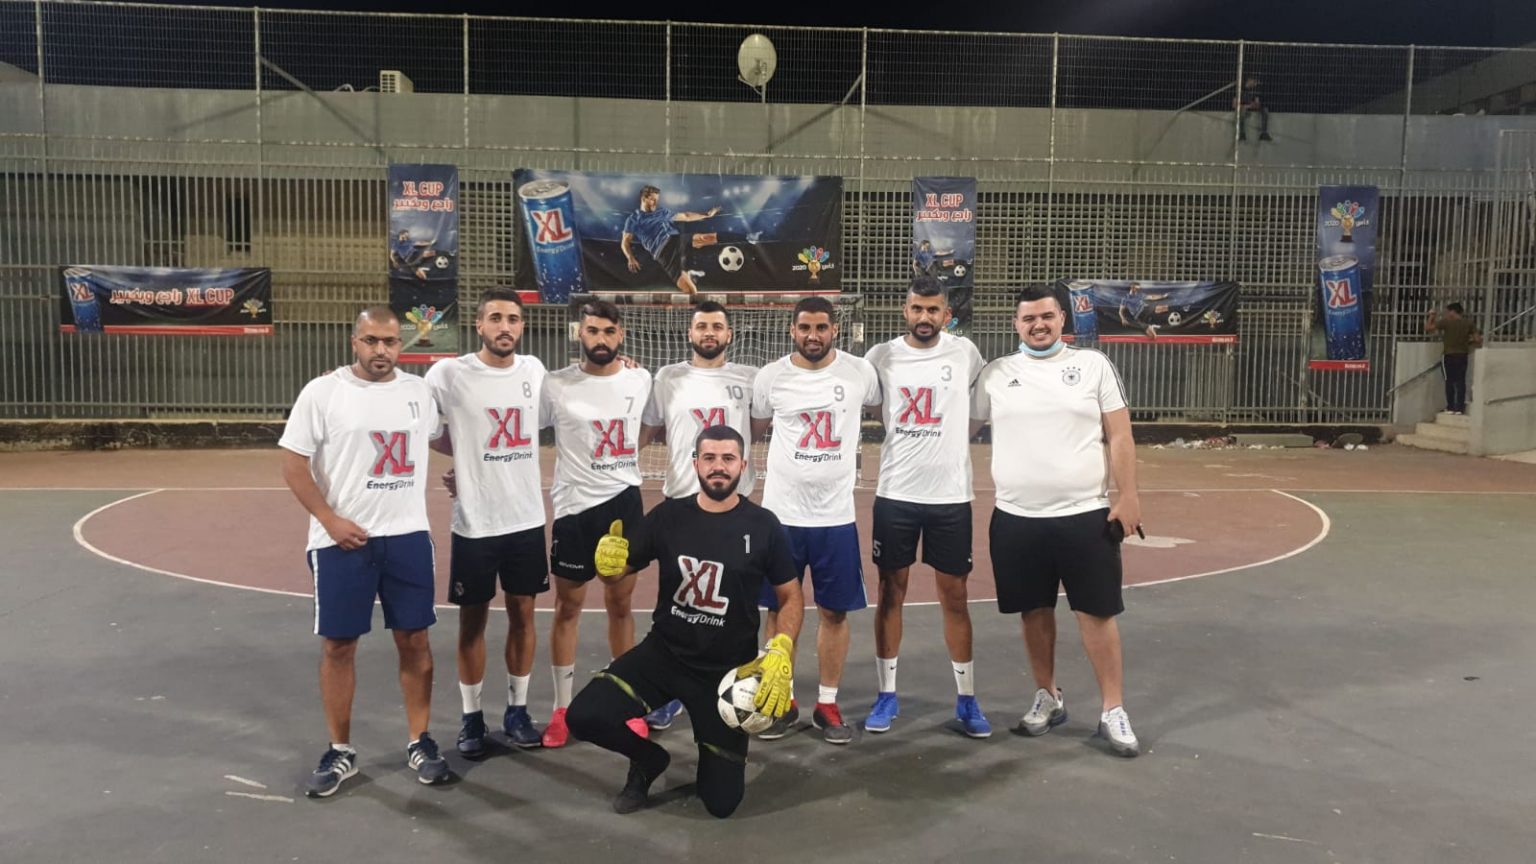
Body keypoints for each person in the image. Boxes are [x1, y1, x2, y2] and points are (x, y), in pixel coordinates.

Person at [566, 425, 803, 817]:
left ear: (743, 465)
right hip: (665, 655)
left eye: (727, 458)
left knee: (721, 804)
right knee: (584, 716)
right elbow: (619, 571)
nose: (718, 466)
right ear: (695, 464)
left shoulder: (763, 525)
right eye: (709, 458)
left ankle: (713, 753)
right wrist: (607, 567)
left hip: (726, 672)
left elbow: (791, 596)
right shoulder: (669, 516)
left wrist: (781, 646)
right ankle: (648, 759)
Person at [279, 305, 451, 797]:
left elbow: (444, 438)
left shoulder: (419, 392)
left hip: (407, 536)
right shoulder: (323, 392)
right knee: (338, 645)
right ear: (355, 341)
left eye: (390, 342)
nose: (381, 350)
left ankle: (420, 740)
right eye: (371, 340)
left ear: (401, 345)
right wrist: (329, 520)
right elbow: (293, 463)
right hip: (341, 541)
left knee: (414, 640)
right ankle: (340, 750)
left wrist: (469, 469)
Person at [971, 285, 1143, 758]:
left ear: (1062, 319)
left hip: (1084, 515)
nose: (1038, 325)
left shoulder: (1093, 365)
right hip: (1016, 517)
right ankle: (1047, 695)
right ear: (1016, 324)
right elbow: (959, 429)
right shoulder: (996, 374)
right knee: (1033, 612)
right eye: (1028, 319)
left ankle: (1113, 708)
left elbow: (1120, 434)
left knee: (1096, 614)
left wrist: (1128, 495)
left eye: (1046, 316)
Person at [862, 276, 991, 738]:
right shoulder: (880, 356)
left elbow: (977, 410)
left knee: (954, 597)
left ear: (946, 315)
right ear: (905, 310)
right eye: (917, 309)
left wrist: (951, 441)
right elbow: (873, 408)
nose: (924, 317)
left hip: (950, 496)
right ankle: (887, 694)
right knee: (890, 592)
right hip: (896, 493)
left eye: (933, 310)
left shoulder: (965, 352)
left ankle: (967, 699)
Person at [751, 296, 882, 744]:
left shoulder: (859, 372)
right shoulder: (771, 377)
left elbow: (884, 409)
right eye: (805, 327)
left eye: (821, 327)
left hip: (835, 516)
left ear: (834, 330)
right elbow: (753, 430)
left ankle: (827, 703)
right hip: (781, 516)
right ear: (792, 330)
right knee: (777, 609)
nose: (813, 335)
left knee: (834, 611)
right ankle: (780, 699)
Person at [425, 288, 549, 757]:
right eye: (495, 318)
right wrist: (465, 456)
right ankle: (471, 717)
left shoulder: (534, 370)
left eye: (513, 319)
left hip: (525, 518)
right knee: (472, 622)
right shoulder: (449, 374)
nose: (505, 327)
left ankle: (517, 710)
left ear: (522, 326)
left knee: (523, 615)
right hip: (475, 522)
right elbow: (422, 422)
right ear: (478, 325)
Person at [635, 299, 758, 731]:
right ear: (690, 333)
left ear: (729, 334)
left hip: (734, 506)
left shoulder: (749, 378)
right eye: (702, 325)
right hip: (682, 504)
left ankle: (734, 689)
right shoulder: (667, 378)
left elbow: (759, 428)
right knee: (678, 604)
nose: (709, 332)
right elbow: (649, 428)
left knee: (735, 605)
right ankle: (670, 693)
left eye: (717, 326)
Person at [540, 299, 654, 747]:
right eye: (593, 331)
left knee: (620, 606)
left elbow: (652, 425)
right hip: (574, 510)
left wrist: (628, 455)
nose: (601, 339)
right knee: (567, 608)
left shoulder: (640, 379)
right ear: (580, 333)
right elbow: (522, 433)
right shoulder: (555, 385)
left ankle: (625, 705)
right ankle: (561, 708)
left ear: (620, 334)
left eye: (608, 331)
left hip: (623, 505)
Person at [622, 185, 720, 295]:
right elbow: (625, 242)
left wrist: (706, 215)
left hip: (675, 240)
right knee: (691, 291)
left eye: (657, 200)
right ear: (644, 199)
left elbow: (686, 216)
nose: (655, 203)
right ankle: (688, 275)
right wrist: (630, 257)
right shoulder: (633, 219)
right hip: (663, 254)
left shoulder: (661, 212)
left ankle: (733, 237)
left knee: (708, 238)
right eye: (652, 199)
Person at [1425, 302, 1482, 414]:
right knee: (1461, 381)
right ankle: (1459, 408)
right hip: (1462, 355)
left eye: (1448, 311)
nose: (1447, 314)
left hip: (1449, 355)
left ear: (1452, 312)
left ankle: (1450, 407)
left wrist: (1431, 316)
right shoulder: (1469, 323)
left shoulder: (1446, 322)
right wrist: (1468, 343)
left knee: (1449, 381)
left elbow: (1428, 328)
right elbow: (1478, 340)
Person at [1234, 75, 1271, 142]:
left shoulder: (1255, 89)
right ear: (1249, 80)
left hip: (1250, 107)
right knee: (1242, 111)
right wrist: (1245, 106)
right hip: (1244, 108)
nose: (1255, 83)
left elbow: (1257, 104)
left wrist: (1249, 105)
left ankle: (1264, 133)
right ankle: (1242, 134)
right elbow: (1234, 104)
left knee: (1265, 110)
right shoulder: (1240, 89)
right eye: (1254, 81)